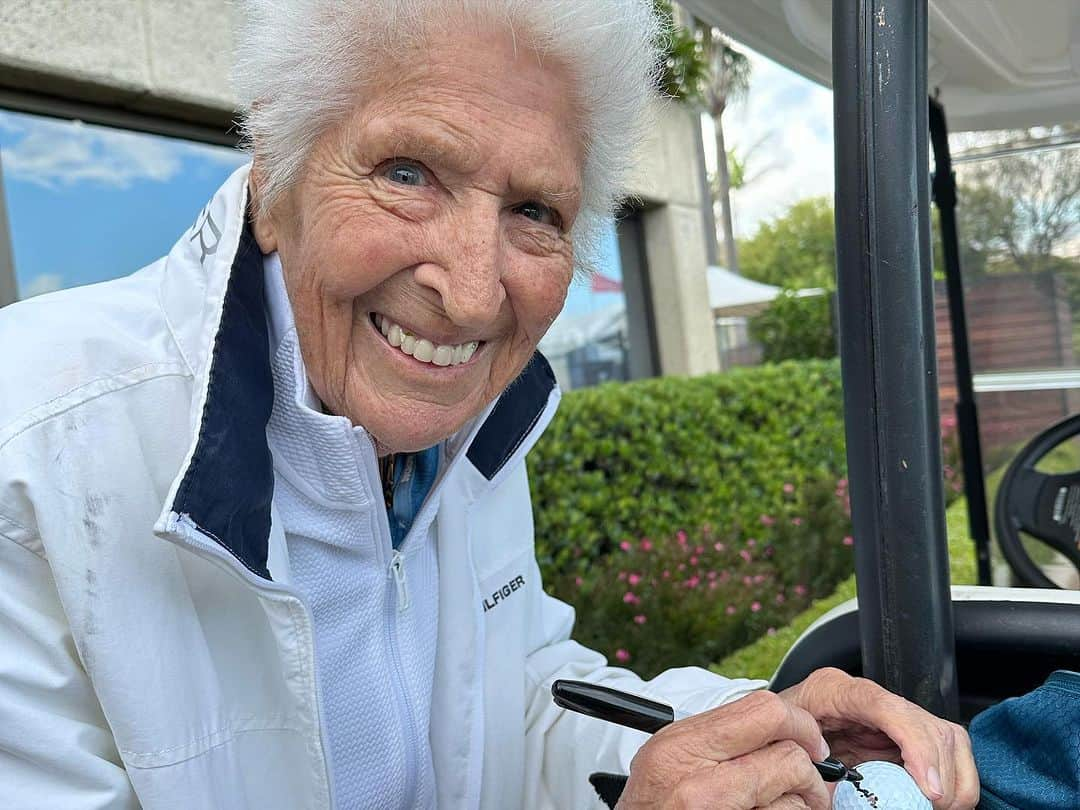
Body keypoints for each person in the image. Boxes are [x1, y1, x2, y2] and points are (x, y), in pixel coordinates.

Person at [0, 1, 978, 808]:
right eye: (407, 173)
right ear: (274, 173)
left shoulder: (465, 429)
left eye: (534, 212)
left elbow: (514, 700)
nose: (472, 294)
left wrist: (760, 729)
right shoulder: (28, 456)